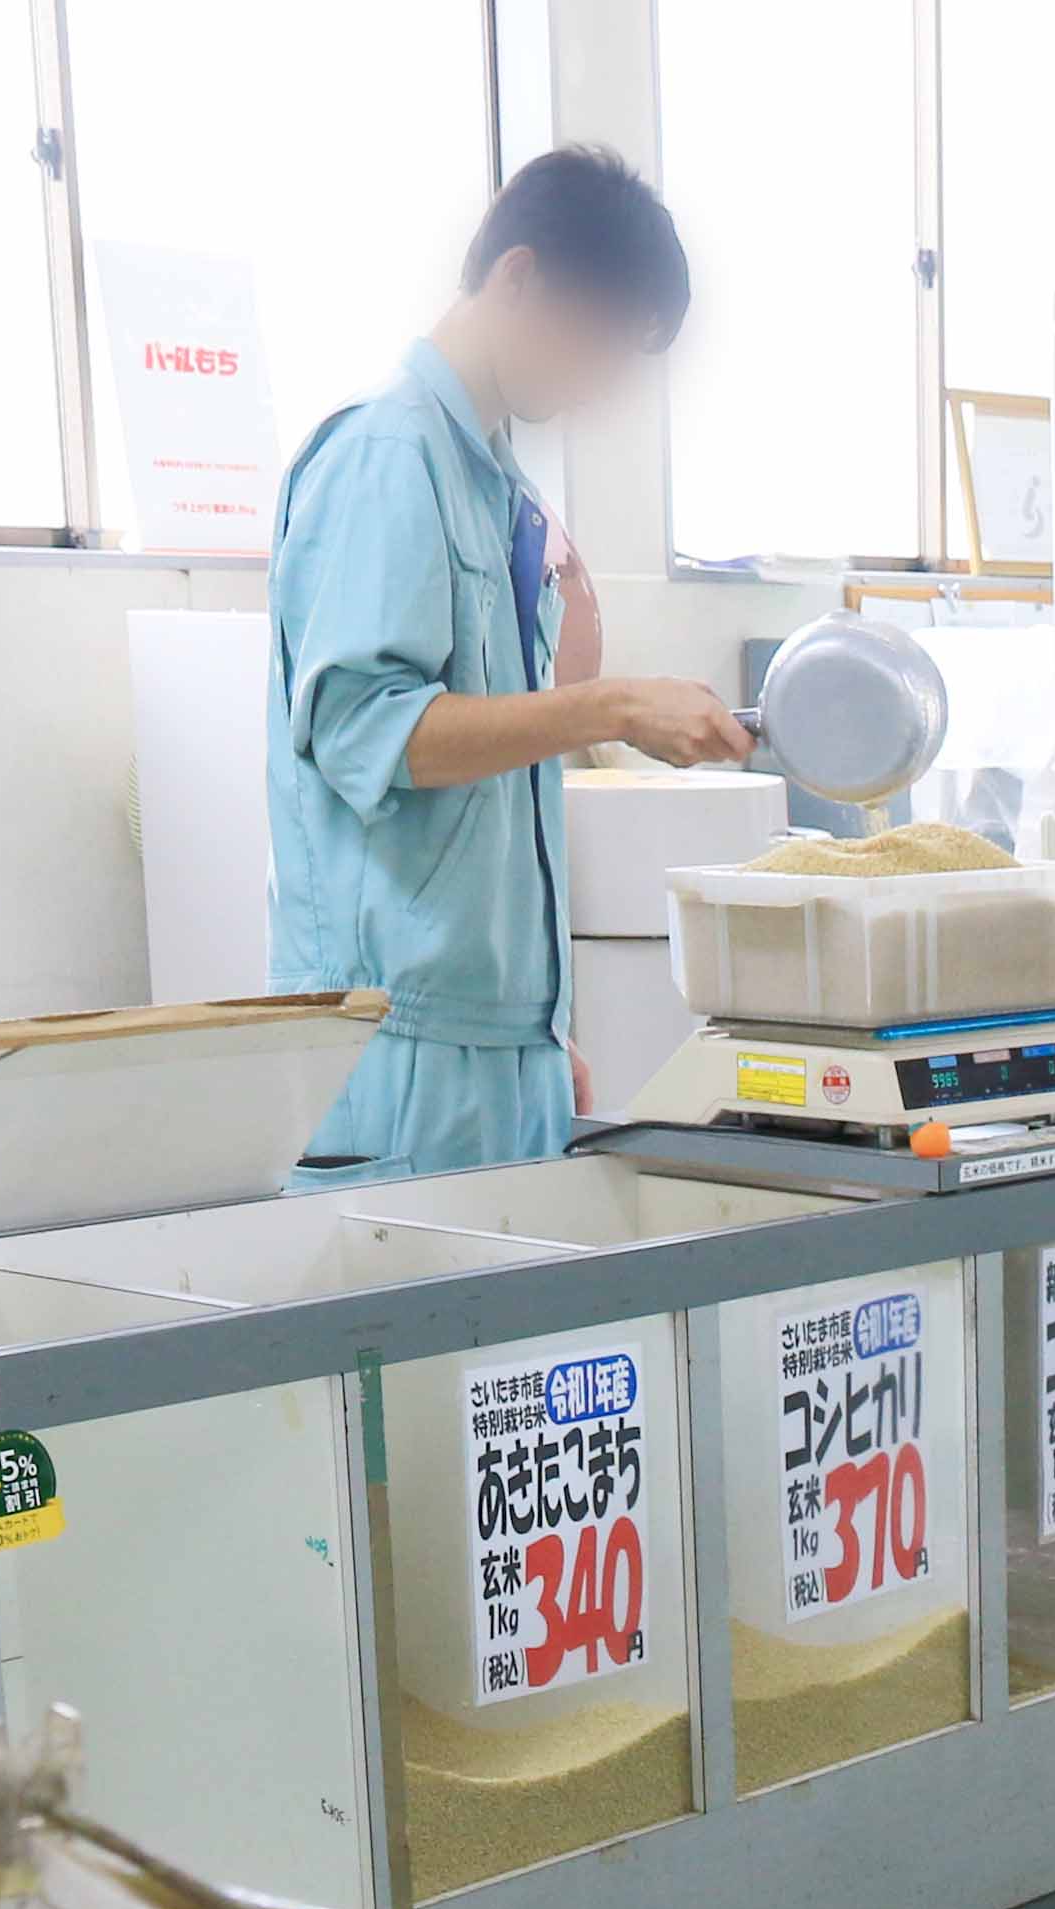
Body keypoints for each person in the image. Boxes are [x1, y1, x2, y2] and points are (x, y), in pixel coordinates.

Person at [271, 146, 752, 1185]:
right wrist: (611, 707)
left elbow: (491, 771)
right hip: (395, 1052)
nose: (602, 383)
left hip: (495, 1045)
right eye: (600, 344)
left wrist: (528, 1025)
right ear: (520, 279)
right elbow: (373, 730)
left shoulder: (491, 481)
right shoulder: (388, 455)